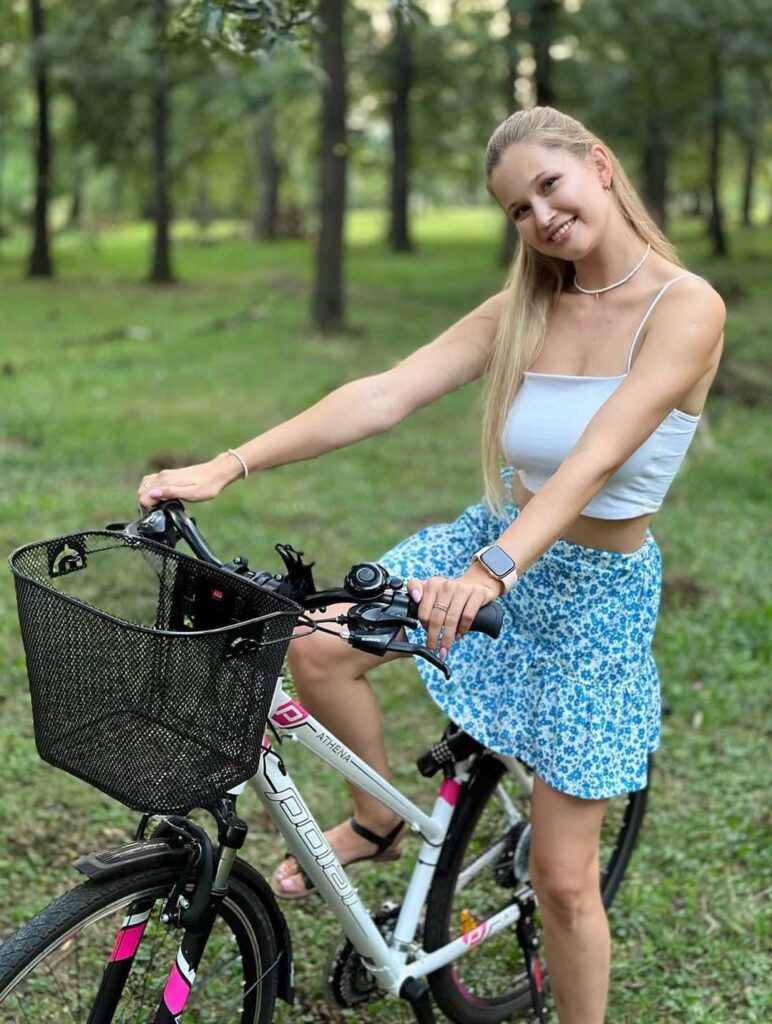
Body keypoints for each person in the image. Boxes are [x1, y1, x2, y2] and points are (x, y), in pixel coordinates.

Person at [138, 106, 724, 1024]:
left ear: (600, 167)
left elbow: (597, 457)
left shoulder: (686, 306)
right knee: (319, 647)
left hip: (589, 592)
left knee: (565, 883)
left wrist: (495, 571)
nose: (540, 217)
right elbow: (384, 394)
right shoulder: (526, 303)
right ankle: (375, 822)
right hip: (488, 539)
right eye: (517, 210)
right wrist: (228, 462)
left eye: (549, 186)